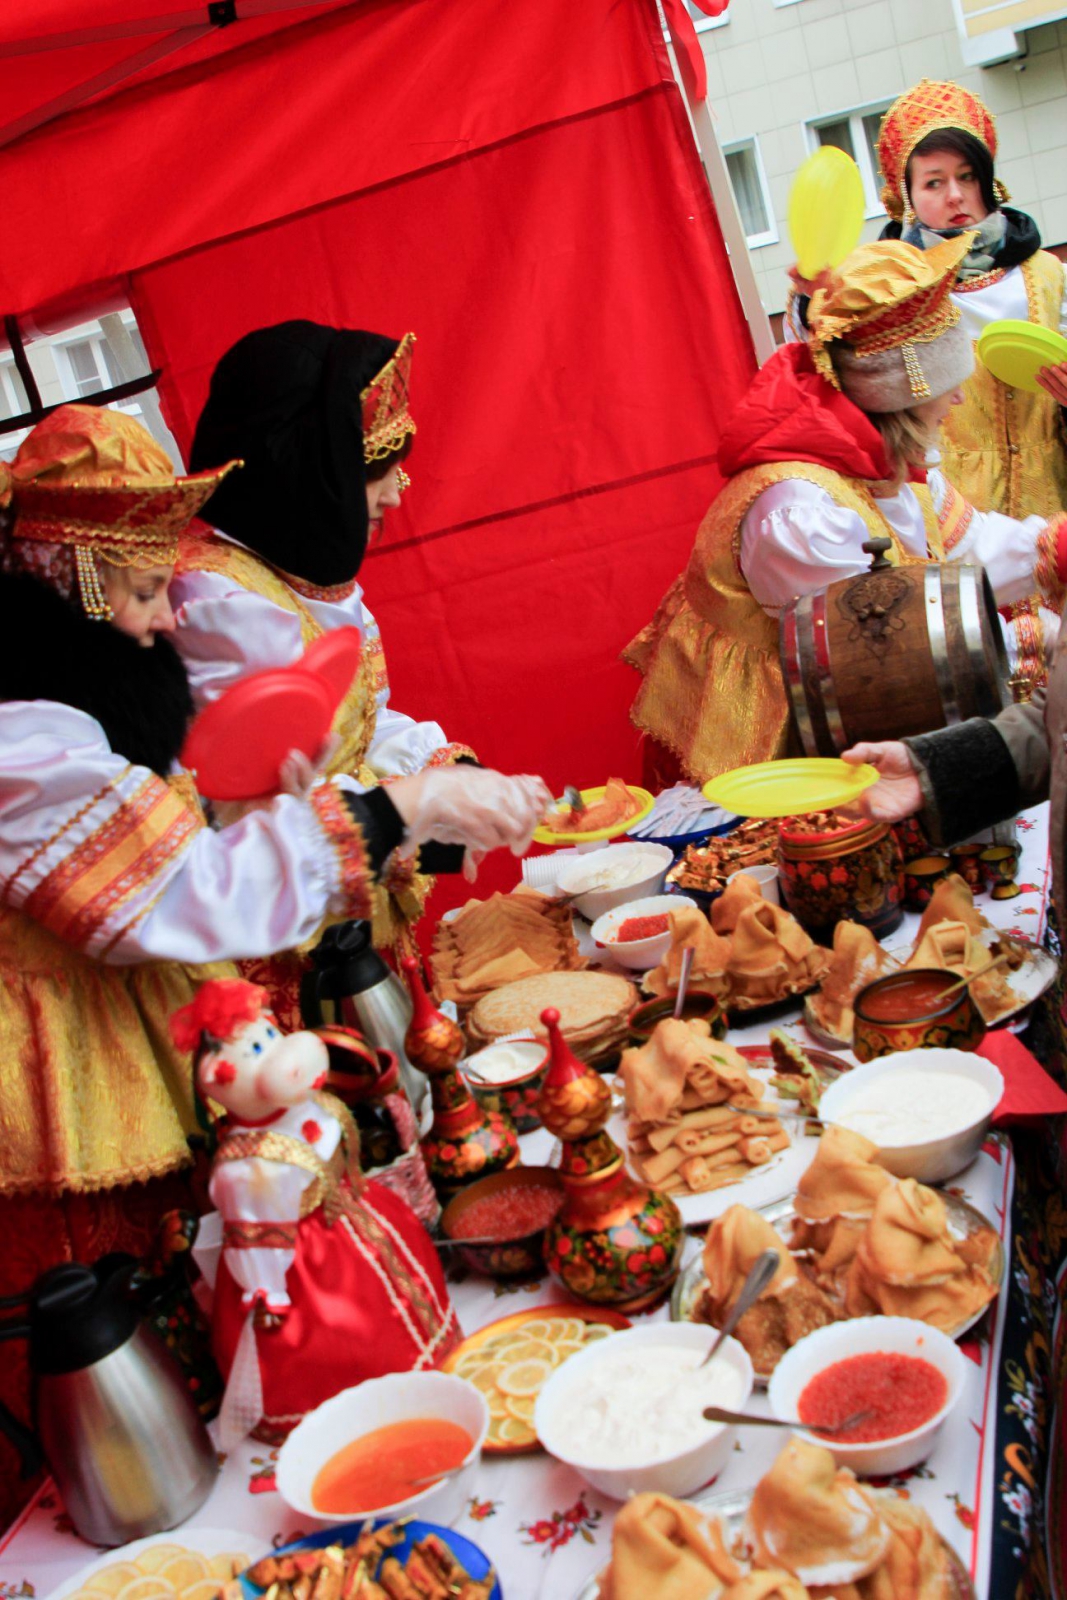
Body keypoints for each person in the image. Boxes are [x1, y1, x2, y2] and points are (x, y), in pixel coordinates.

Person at [0, 403, 549, 1517]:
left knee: (219, 1291)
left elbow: (180, 832)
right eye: (146, 592)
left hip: (148, 1048)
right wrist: (395, 810)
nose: (166, 619)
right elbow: (173, 894)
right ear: (83, 585)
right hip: (64, 1102)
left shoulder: (80, 698)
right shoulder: (20, 739)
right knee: (110, 1344)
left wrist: (294, 806)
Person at [626, 236, 1067, 785]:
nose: (960, 401)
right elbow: (887, 645)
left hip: (851, 719)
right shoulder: (798, 508)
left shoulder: (890, 463)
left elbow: (970, 544)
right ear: (904, 390)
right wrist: (1038, 639)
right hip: (765, 755)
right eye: (949, 383)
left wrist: (1055, 548)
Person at [171, 323, 474, 961]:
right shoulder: (213, 601)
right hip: (284, 942)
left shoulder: (299, 574)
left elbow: (358, 726)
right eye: (374, 470)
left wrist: (453, 778)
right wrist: (430, 811)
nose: (396, 493)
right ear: (305, 472)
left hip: (348, 907)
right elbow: (259, 794)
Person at [790, 81, 1067, 686]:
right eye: (934, 182)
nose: (956, 196)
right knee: (979, 670)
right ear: (906, 195)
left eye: (967, 177)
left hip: (1049, 495)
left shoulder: (1048, 273)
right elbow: (833, 357)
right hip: (945, 500)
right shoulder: (894, 287)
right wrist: (810, 302)